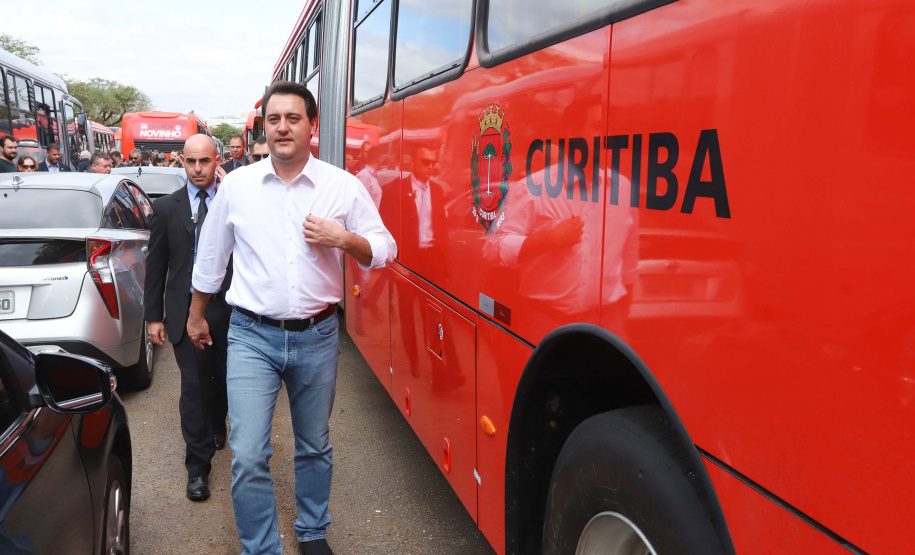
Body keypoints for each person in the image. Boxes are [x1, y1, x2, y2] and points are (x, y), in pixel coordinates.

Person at [188, 81, 396, 555]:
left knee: (314, 445)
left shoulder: (341, 185)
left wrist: (346, 240)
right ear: (265, 127)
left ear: (312, 125)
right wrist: (195, 316)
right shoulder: (237, 186)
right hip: (250, 337)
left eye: (293, 118)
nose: (283, 127)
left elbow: (385, 248)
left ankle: (312, 531)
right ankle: (261, 547)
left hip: (317, 336)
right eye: (274, 119)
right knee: (246, 455)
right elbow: (211, 259)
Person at [144, 134, 232, 503]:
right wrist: (154, 317)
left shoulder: (234, 201)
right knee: (193, 386)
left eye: (205, 161)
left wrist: (232, 192)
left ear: (217, 161)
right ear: (182, 162)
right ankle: (198, 467)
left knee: (223, 380)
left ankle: (217, 422)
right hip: (183, 310)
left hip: (230, 309)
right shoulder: (166, 208)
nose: (198, 169)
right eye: (191, 162)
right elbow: (157, 265)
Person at [355, 143, 382, 209]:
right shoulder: (364, 176)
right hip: (366, 218)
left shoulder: (372, 175)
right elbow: (361, 203)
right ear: (378, 159)